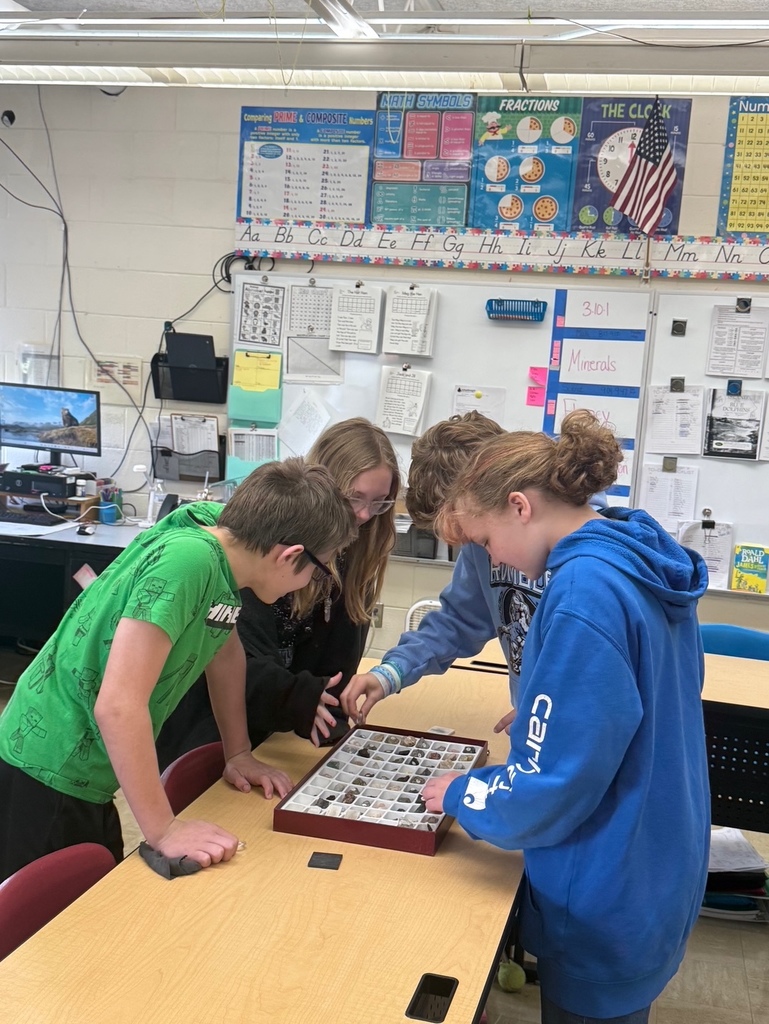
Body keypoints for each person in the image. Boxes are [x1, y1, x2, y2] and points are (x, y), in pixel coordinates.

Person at [420, 411, 710, 1024]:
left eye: (484, 541)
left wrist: (464, 793)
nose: (490, 558)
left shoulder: (582, 593)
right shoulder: (636, 555)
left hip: (605, 883)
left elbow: (554, 780)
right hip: (654, 858)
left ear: (520, 507)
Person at [0, 458, 357, 883]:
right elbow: (117, 706)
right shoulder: (191, 563)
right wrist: (164, 828)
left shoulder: (221, 537)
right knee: (48, 929)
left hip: (88, 773)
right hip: (51, 769)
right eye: (321, 569)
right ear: (290, 556)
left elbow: (225, 653)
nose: (318, 582)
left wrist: (238, 752)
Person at [155, 417, 398, 770]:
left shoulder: (352, 554)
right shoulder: (238, 553)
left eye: (379, 503)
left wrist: (323, 713)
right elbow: (122, 704)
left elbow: (229, 654)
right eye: (354, 498)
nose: (363, 515)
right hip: (206, 732)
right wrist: (292, 699)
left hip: (265, 737)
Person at [340, 411, 605, 727]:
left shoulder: (591, 565)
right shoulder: (487, 545)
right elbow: (458, 621)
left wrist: (558, 709)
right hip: (542, 727)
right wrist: (393, 671)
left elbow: (606, 680)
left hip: (573, 727)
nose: (486, 553)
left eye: (478, 537)